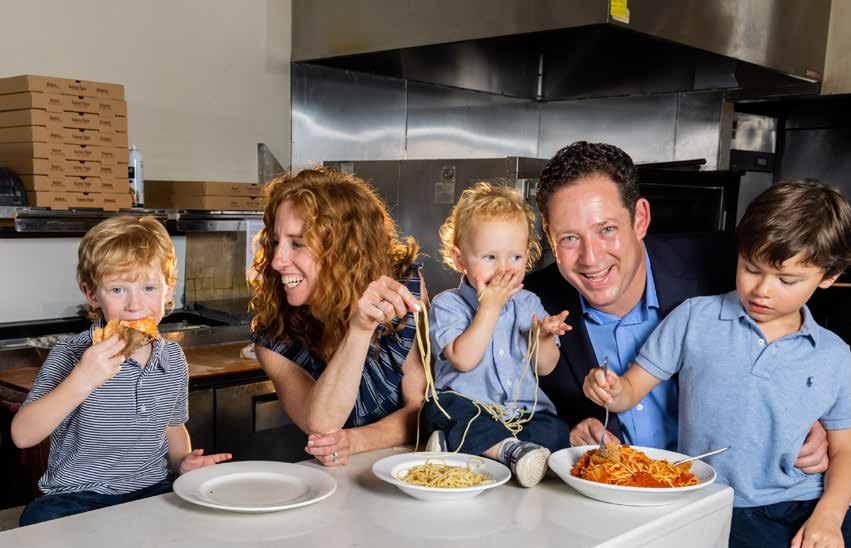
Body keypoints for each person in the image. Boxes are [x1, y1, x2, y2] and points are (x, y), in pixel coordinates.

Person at [524, 141, 829, 470]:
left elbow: (802, 340)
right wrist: (565, 436)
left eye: (607, 229)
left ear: (640, 219)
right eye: (569, 238)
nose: (591, 257)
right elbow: (497, 412)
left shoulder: (728, 266)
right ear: (549, 237)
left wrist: (817, 421)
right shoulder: (528, 302)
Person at [584, 180, 851, 548]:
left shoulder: (836, 355)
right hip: (724, 504)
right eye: (751, 268)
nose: (762, 290)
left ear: (829, 276)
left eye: (787, 280)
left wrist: (829, 515)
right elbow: (627, 392)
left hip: (812, 502)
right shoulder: (694, 317)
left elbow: (844, 450)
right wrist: (608, 388)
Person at [12, 216, 231, 526]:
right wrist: (82, 379)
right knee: (37, 518)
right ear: (91, 294)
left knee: (206, 519)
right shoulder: (72, 355)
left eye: (149, 287)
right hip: (79, 496)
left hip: (151, 487)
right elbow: (22, 435)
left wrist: (183, 464)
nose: (134, 304)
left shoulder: (172, 359)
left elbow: (172, 427)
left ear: (168, 290)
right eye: (117, 289)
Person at [250, 169, 426, 467]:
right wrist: (360, 330)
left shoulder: (401, 287)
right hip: (339, 479)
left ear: (344, 251)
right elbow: (323, 425)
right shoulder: (274, 338)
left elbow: (422, 409)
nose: (277, 260)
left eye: (297, 243)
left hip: (412, 468)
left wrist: (356, 441)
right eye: (276, 241)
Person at [421, 182, 571, 487]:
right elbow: (463, 360)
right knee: (439, 411)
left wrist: (543, 337)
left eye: (515, 258)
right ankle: (509, 452)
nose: (504, 270)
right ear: (459, 259)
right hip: (470, 408)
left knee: (557, 431)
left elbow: (545, 367)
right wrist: (489, 308)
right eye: (490, 257)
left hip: (522, 415)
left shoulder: (529, 303)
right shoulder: (448, 304)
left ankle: (466, 449)